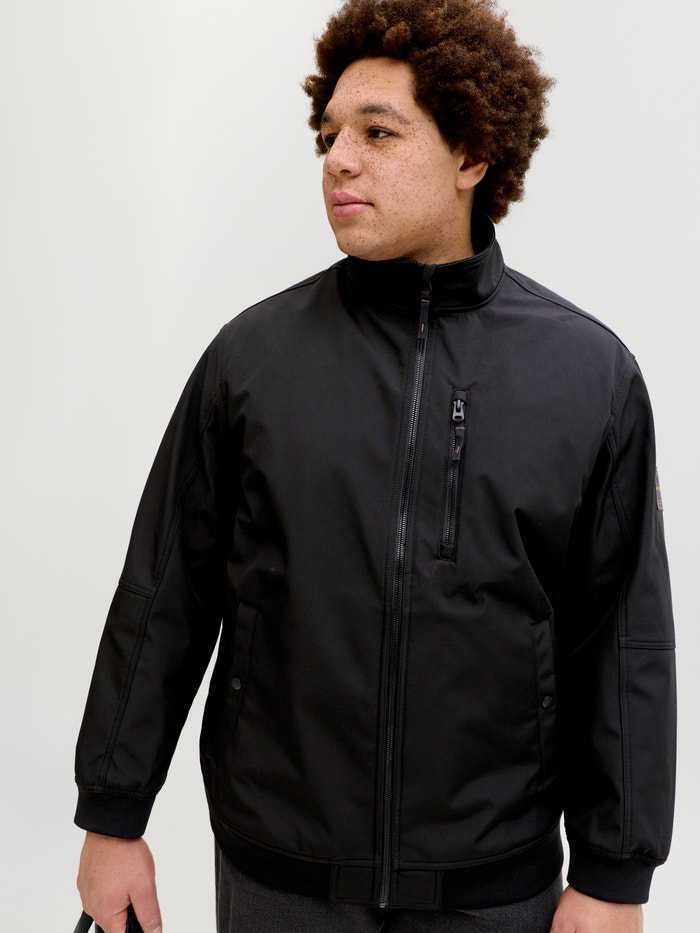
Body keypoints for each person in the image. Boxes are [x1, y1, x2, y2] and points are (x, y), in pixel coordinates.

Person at [74, 1, 676, 931]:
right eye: (330, 135)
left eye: (378, 132)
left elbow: (623, 639)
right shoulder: (252, 361)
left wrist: (614, 874)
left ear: (472, 154)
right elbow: (163, 596)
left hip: (494, 892)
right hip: (281, 882)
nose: (338, 160)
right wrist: (113, 819)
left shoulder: (588, 377)